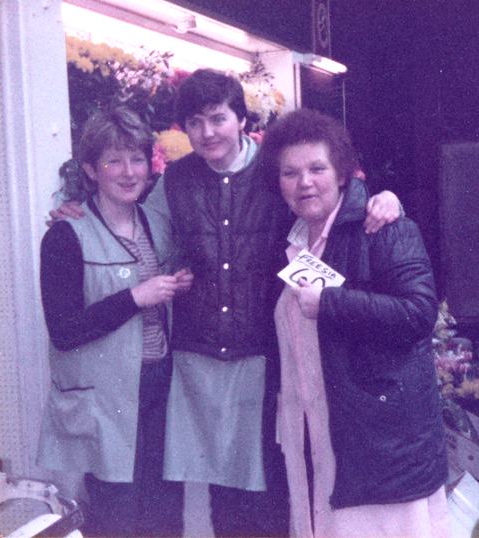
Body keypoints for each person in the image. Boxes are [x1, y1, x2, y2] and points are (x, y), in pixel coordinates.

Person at [51, 69, 403, 537]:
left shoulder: (274, 166)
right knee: (222, 496)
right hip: (199, 361)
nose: (207, 133)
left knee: (272, 489)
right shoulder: (175, 180)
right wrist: (77, 206)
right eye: (194, 123)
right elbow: (132, 217)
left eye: (218, 118)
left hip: (267, 355)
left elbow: (324, 190)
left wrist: (375, 197)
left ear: (241, 119)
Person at [261, 108, 450, 538]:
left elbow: (418, 314)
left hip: (374, 445)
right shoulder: (289, 241)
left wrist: (332, 302)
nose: (304, 182)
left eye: (316, 168)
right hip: (313, 436)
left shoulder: (383, 230)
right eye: (290, 173)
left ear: (343, 173)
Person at [37, 106, 192, 536]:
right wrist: (135, 298)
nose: (128, 172)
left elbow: (176, 279)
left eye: (137, 159)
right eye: (113, 161)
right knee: (117, 517)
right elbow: (64, 332)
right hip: (107, 404)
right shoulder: (65, 235)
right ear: (90, 169)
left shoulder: (159, 226)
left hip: (160, 388)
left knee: (164, 516)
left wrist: (181, 281)